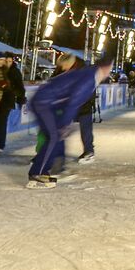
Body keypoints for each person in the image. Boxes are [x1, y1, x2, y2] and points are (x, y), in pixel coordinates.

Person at [26, 52, 113, 188]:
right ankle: (38, 172)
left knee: (55, 136)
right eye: (110, 68)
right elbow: (73, 102)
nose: (110, 72)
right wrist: (65, 123)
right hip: (44, 102)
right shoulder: (90, 79)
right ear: (105, 68)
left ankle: (45, 168)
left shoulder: (90, 74)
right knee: (55, 136)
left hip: (49, 103)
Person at [50, 53, 100, 164]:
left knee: (85, 129)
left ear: (70, 63)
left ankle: (89, 152)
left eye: (64, 66)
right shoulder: (61, 68)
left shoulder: (84, 70)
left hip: (83, 103)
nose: (63, 68)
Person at [0, 54, 26, 154]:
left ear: (12, 62)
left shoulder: (15, 72)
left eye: (9, 61)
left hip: (7, 100)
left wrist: (18, 96)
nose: (7, 63)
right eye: (6, 61)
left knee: (1, 122)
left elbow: (20, 87)